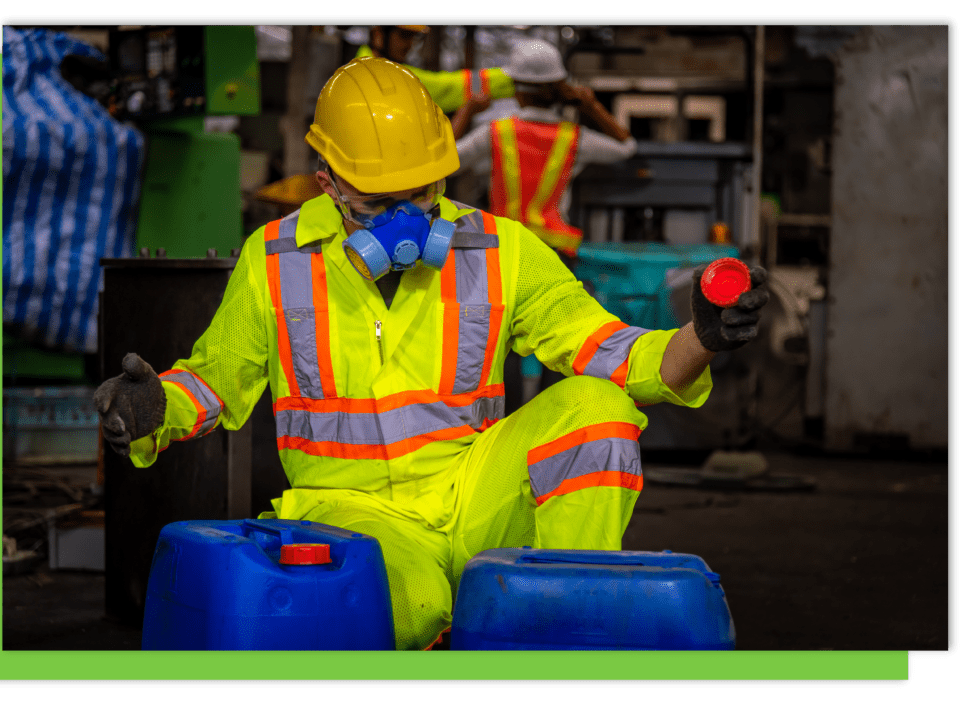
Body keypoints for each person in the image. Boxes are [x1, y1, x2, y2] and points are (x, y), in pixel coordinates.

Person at [93, 57, 769, 651]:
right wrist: (157, 407)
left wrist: (699, 337)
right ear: (327, 181)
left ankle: (565, 629)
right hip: (355, 516)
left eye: (423, 193)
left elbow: (622, 358)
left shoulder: (499, 251)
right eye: (381, 202)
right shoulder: (274, 261)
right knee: (398, 610)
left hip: (475, 493)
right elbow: (217, 381)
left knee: (597, 408)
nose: (410, 221)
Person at [455, 38, 637, 258]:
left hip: (507, 248)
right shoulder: (574, 138)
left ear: (517, 90)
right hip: (555, 251)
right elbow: (627, 146)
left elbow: (447, 162)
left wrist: (466, 110)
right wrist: (592, 106)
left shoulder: (495, 132)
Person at [357, 24, 514, 116]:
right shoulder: (381, 73)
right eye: (404, 36)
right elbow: (445, 87)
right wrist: (513, 78)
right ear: (378, 34)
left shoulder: (362, 65)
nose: (410, 44)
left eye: (414, 37)